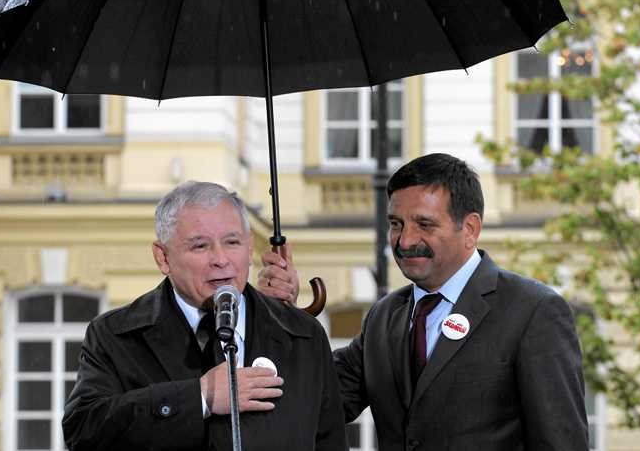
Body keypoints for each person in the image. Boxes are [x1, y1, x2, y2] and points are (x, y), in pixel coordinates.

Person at [259, 153, 588, 451]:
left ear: (470, 228)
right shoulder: (383, 318)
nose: (405, 241)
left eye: (424, 224)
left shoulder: (533, 311)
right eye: (395, 224)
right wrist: (279, 315)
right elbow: (315, 400)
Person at [63, 181, 347, 451]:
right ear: (163, 257)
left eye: (232, 242)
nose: (220, 259)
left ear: (250, 248)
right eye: (200, 246)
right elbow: (83, 432)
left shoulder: (303, 333)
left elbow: (329, 441)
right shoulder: (114, 335)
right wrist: (199, 397)